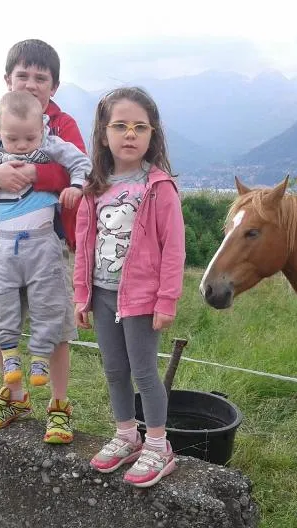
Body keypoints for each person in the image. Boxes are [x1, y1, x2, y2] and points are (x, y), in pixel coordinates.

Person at [0, 39, 86, 443]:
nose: (30, 83)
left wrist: (34, 174)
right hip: (5, 242)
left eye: (40, 78)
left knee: (55, 322)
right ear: (7, 79)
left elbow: (78, 171)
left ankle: (59, 406)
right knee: (3, 315)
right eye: (22, 75)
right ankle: (14, 398)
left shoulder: (63, 126)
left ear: (54, 86)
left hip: (50, 242)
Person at [73, 87, 186, 488]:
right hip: (103, 295)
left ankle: (158, 444)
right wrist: (82, 295)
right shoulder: (95, 187)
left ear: (153, 135)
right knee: (114, 369)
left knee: (144, 371)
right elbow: (83, 245)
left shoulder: (159, 187)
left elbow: (174, 249)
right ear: (104, 134)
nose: (130, 134)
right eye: (120, 126)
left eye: (140, 127)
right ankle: (126, 435)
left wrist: (166, 300)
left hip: (141, 299)